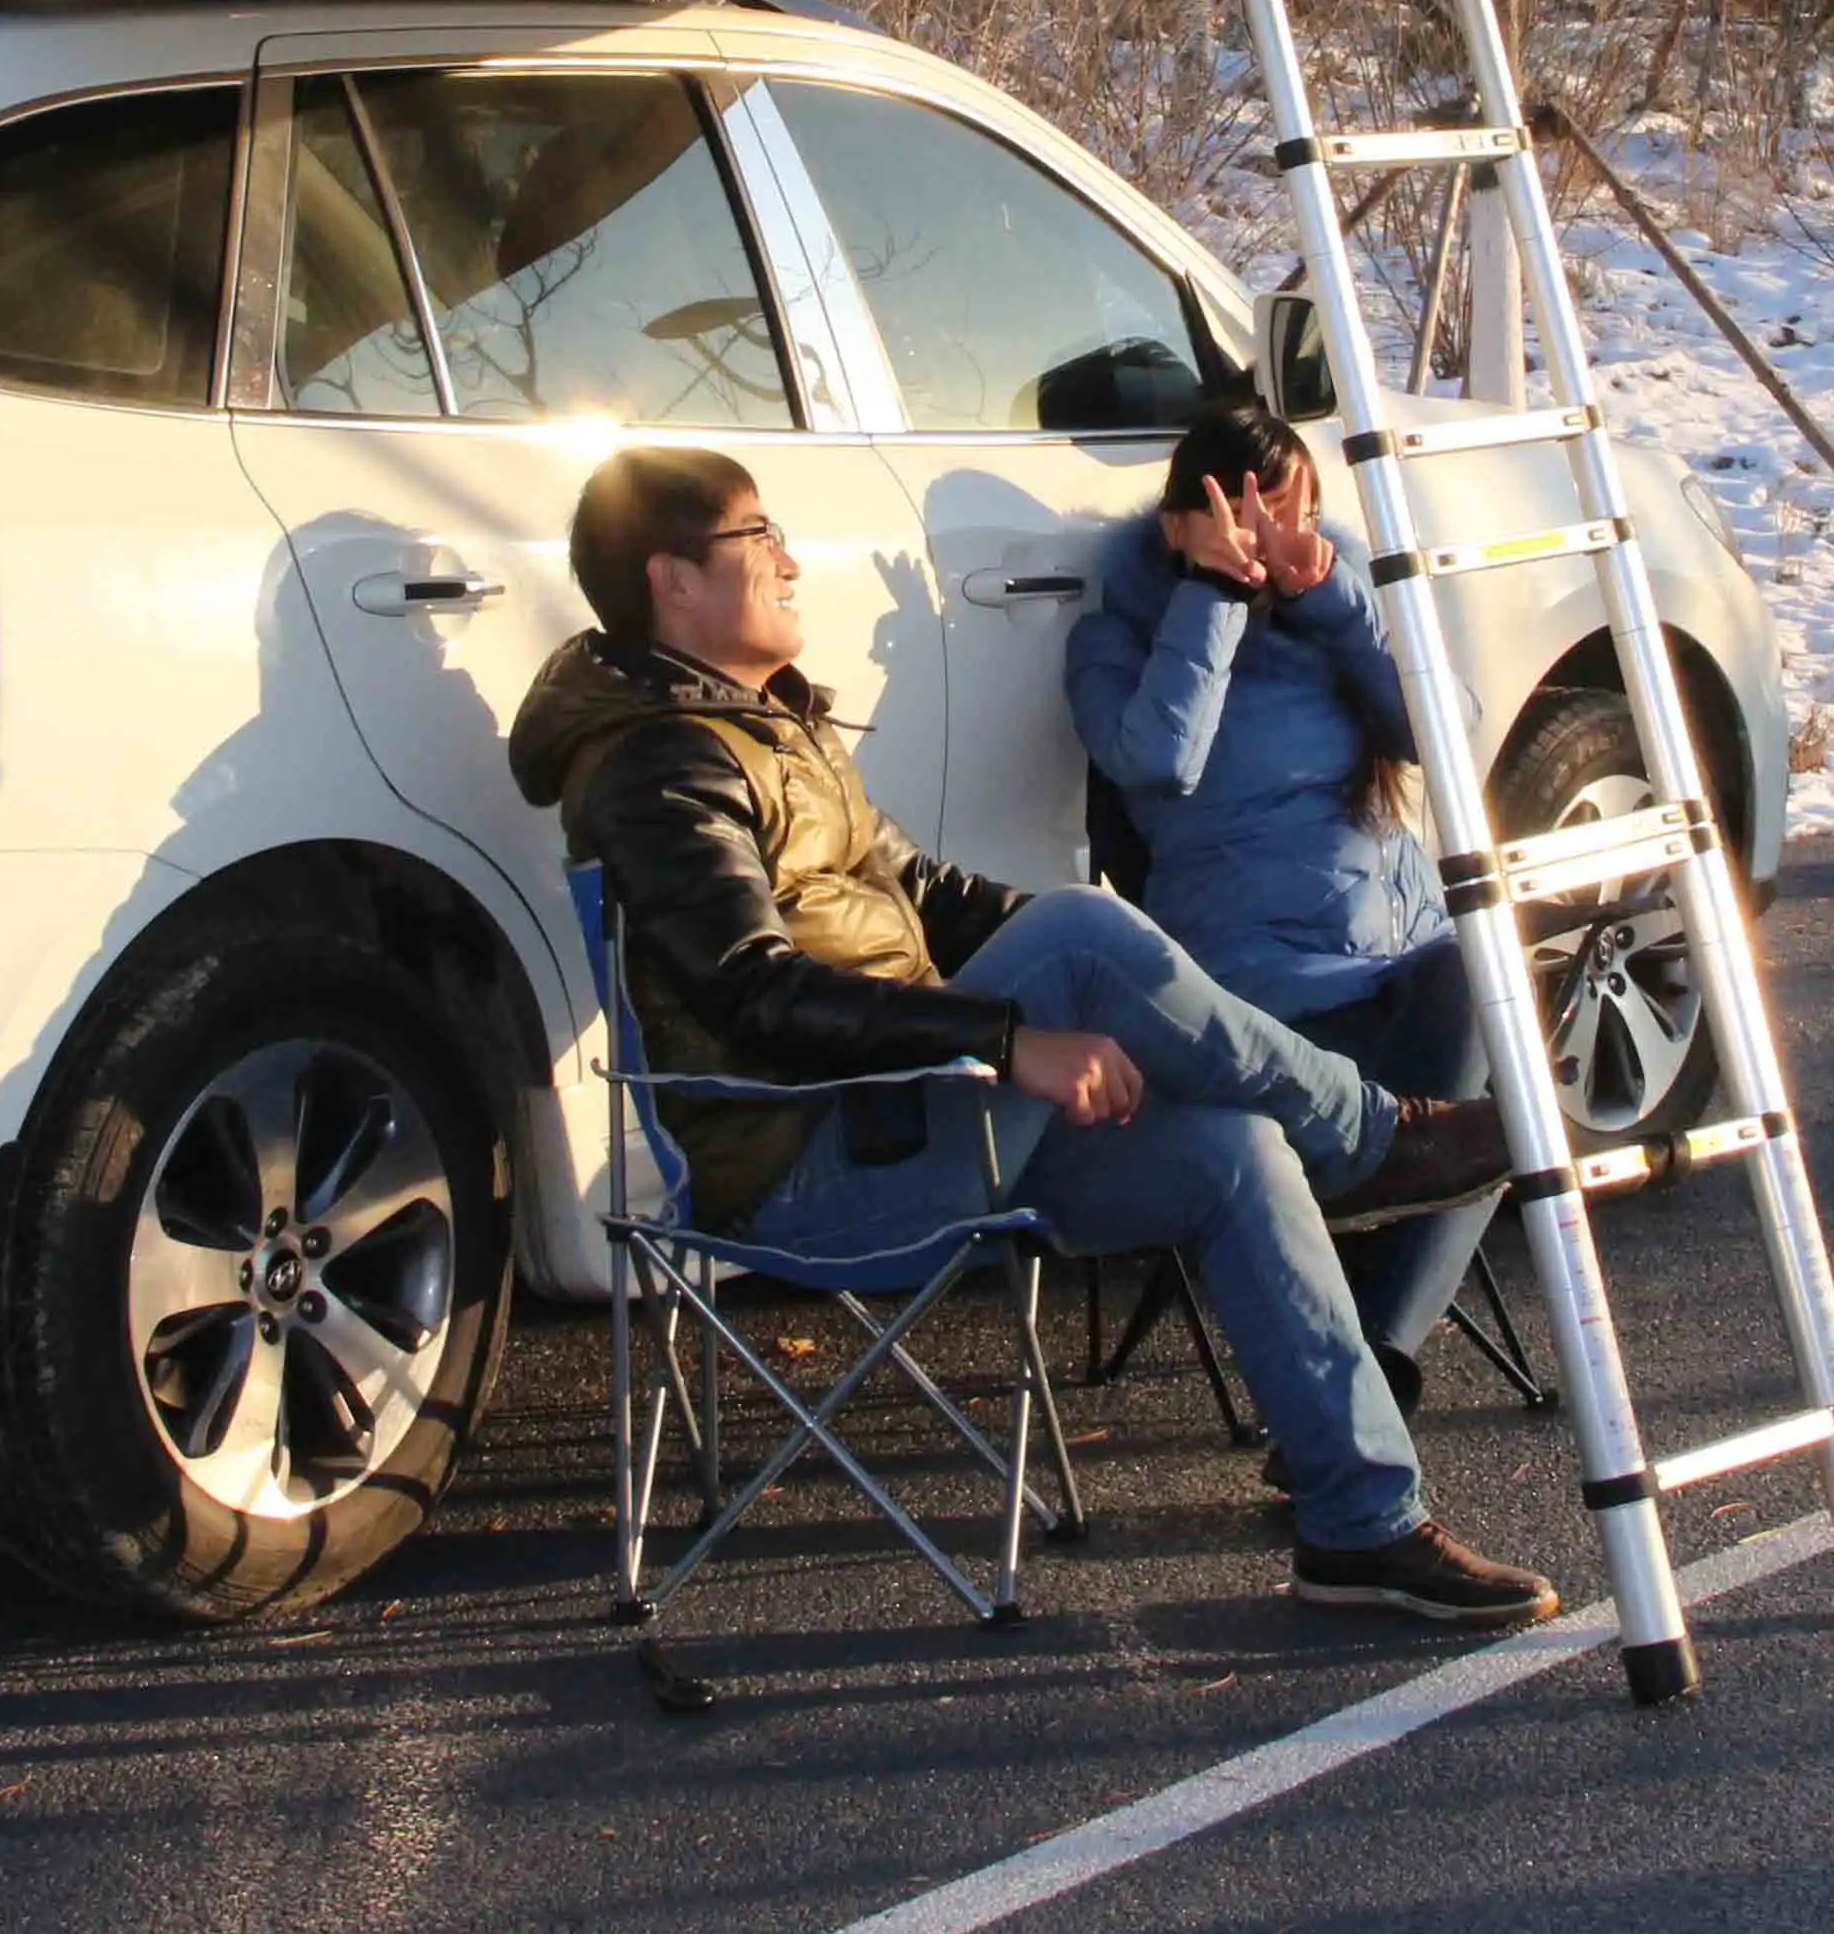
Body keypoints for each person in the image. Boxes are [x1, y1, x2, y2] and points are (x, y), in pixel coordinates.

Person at [509, 443, 1559, 1629]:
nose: (793, 561)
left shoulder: (768, 729)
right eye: (762, 538)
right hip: (814, 1159)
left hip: (923, 1112)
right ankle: (1368, 1137)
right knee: (1078, 934)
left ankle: (1360, 1529)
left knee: (1232, 1150)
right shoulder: (660, 766)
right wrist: (1015, 1037)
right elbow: (757, 994)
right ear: (676, 581)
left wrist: (1073, 993)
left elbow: (938, 899)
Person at [1065, 394, 1496, 1404]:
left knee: (1499, 1004)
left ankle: (1367, 1369)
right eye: (1242, 514)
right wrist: (1211, 596)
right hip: (1269, 1002)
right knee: (1482, 1076)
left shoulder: (1334, 603)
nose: (1268, 539)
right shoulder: (1115, 637)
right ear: (1179, 521)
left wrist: (1334, 601)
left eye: (1291, 513)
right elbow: (1157, 764)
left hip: (1411, 975)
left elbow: (1446, 734)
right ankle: (1366, 1376)